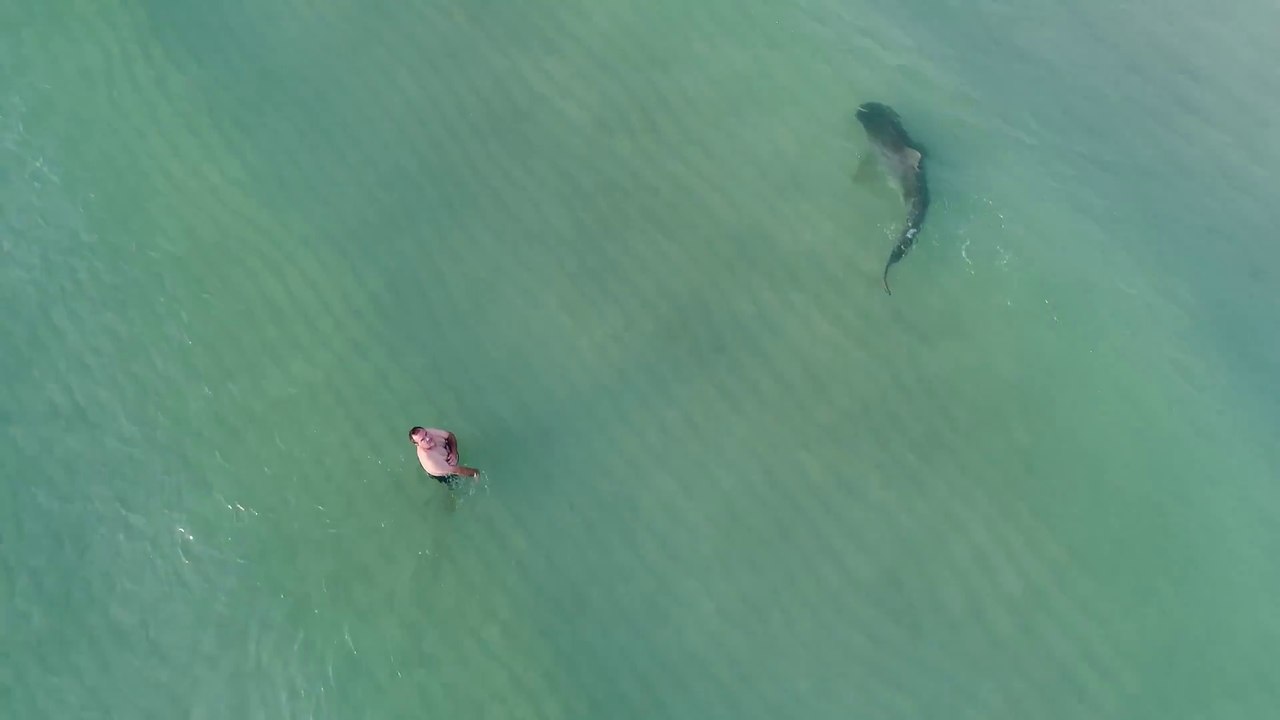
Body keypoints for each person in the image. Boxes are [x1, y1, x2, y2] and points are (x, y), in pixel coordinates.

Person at [409, 426, 479, 483]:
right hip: (441, 470)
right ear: (417, 444)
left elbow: (450, 435)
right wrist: (475, 473)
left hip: (446, 456)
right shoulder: (431, 461)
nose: (428, 438)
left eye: (426, 433)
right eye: (422, 439)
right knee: (454, 483)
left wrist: (453, 452)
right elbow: (456, 470)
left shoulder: (427, 433)